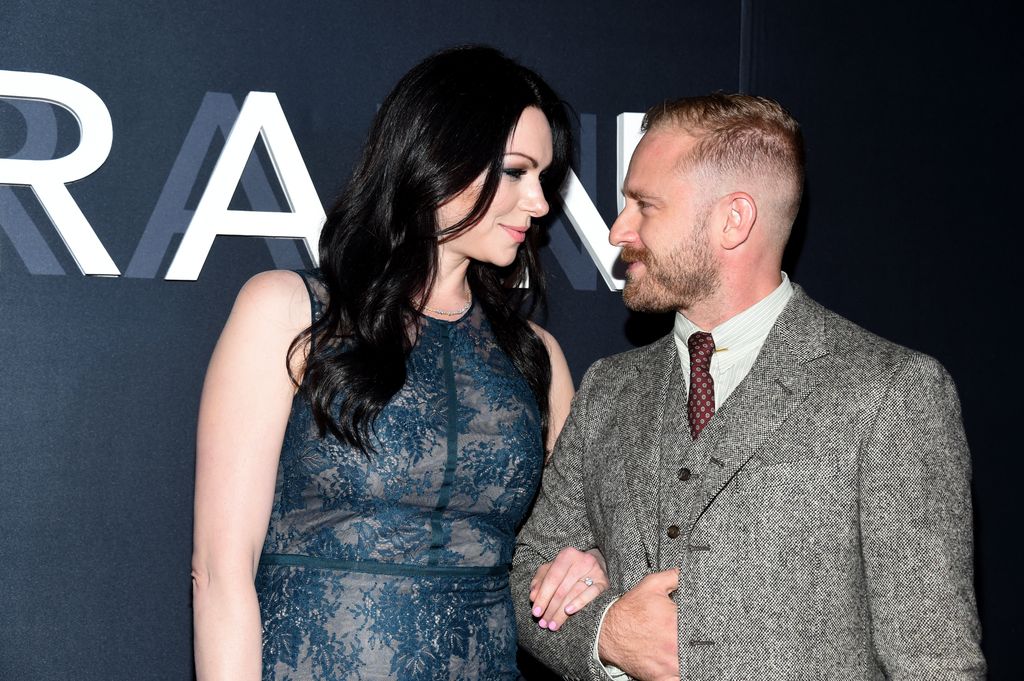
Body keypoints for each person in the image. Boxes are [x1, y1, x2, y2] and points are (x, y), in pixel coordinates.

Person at [513, 93, 986, 680]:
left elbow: (935, 663)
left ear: (733, 219)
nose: (617, 231)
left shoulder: (891, 394)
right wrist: (607, 634)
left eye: (644, 206)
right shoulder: (611, 388)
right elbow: (527, 571)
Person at [190, 46, 608, 681]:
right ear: (440, 155)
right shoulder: (289, 313)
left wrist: (590, 562)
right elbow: (221, 571)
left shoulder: (537, 360)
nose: (540, 203)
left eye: (544, 179)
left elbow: (566, 548)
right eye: (518, 171)